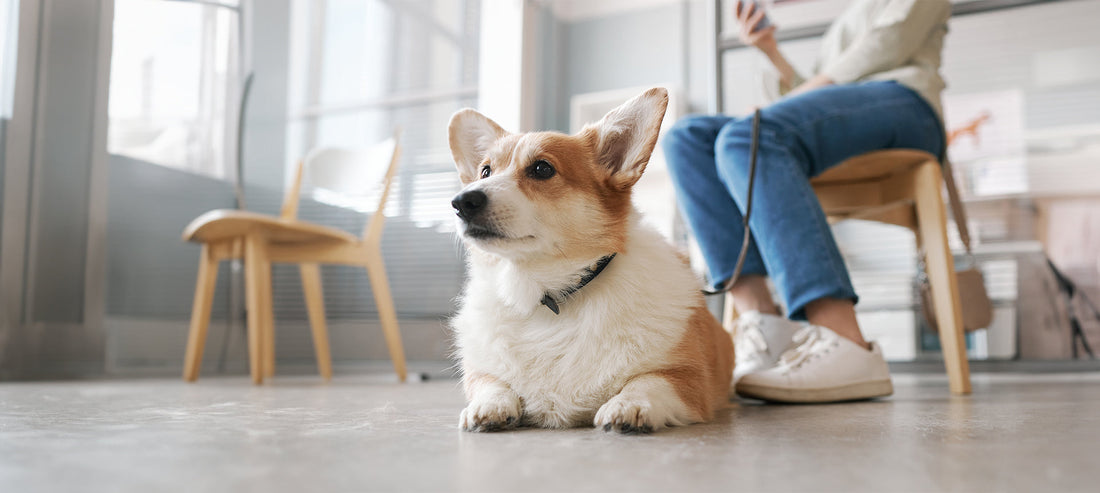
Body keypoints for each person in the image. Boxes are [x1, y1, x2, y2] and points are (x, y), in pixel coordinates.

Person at [663, 0, 951, 403]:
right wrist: (770, 50)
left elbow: (883, 48)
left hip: (907, 105)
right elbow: (819, 93)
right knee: (687, 139)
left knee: (748, 137)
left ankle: (844, 338)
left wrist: (780, 104)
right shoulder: (853, 14)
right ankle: (765, 328)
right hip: (855, 109)